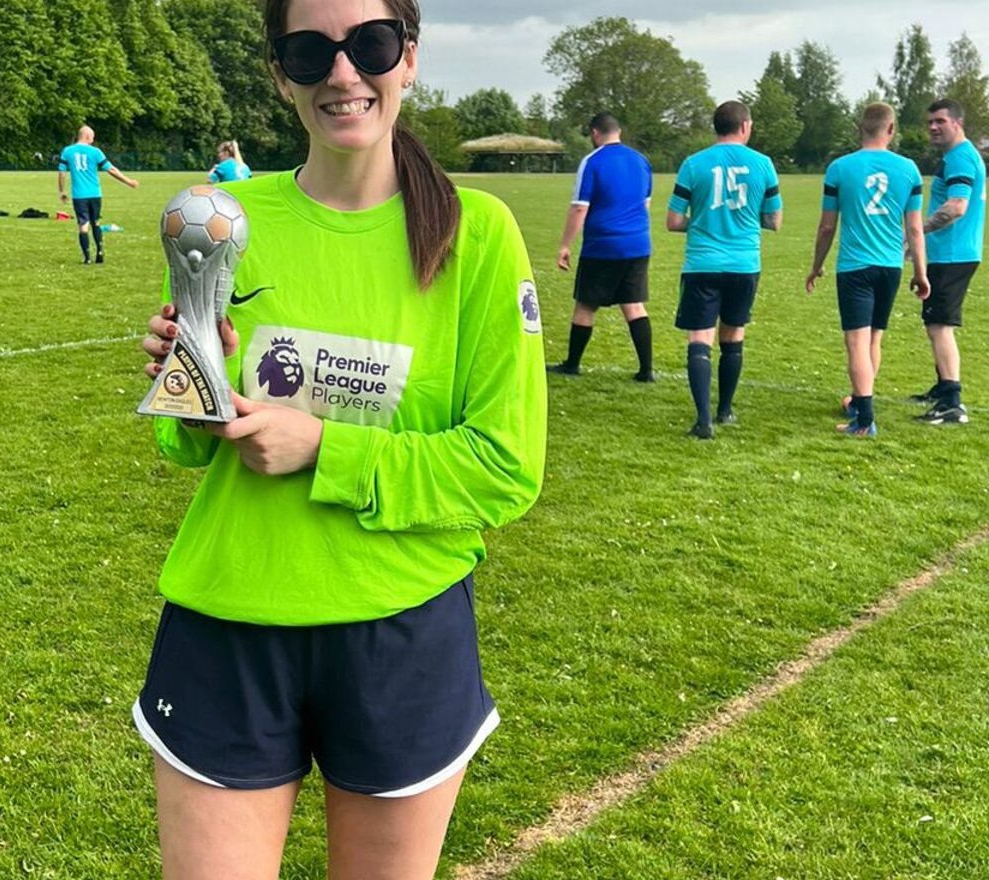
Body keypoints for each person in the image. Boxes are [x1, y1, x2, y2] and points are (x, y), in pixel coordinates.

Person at [134, 2, 547, 877]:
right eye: (310, 51)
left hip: (400, 631)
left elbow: (505, 470)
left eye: (369, 44)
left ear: (409, 59)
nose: (343, 72)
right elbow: (187, 451)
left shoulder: (477, 234)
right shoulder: (223, 219)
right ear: (279, 72)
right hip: (231, 621)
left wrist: (324, 446)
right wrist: (191, 387)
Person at [806, 102, 931, 437]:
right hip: (890, 266)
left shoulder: (839, 168)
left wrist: (816, 266)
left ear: (859, 128)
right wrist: (921, 273)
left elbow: (826, 227)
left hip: (855, 267)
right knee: (874, 338)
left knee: (856, 342)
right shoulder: (909, 170)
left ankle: (864, 420)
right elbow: (915, 229)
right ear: (891, 130)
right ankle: (860, 403)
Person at [666, 100, 783, 440]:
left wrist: (702, 221)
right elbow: (774, 220)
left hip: (702, 262)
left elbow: (673, 221)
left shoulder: (693, 164)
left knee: (700, 338)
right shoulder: (763, 164)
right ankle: (725, 410)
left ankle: (703, 421)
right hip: (744, 263)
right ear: (745, 126)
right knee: (733, 336)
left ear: (715, 127)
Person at [549, 112, 655, 381]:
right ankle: (646, 370)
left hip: (603, 246)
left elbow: (579, 208)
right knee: (633, 305)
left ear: (595, 133)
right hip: (638, 244)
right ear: (618, 131)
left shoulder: (593, 162)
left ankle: (572, 364)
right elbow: (645, 205)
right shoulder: (641, 161)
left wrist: (565, 245)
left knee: (586, 305)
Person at [912, 97, 987, 425]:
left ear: (957, 123)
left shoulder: (960, 158)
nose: (933, 127)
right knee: (934, 323)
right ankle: (942, 387)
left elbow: (957, 206)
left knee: (940, 326)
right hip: (950, 252)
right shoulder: (957, 156)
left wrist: (917, 231)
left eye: (940, 121)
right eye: (930, 122)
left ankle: (952, 402)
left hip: (953, 254)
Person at [58, 126, 139, 264]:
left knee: (83, 225)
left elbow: (62, 173)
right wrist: (128, 181)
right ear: (87, 136)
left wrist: (62, 191)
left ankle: (87, 258)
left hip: (79, 195)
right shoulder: (95, 152)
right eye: (92, 137)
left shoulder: (67, 151)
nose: (93, 140)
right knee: (96, 222)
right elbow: (111, 169)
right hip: (95, 194)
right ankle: (100, 253)